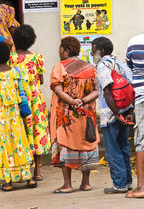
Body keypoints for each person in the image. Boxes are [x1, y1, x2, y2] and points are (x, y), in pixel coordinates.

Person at [0, 42, 37, 191]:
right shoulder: (17, 73)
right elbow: (25, 91)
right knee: (21, 143)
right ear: (9, 57)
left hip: (1, 118)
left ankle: (8, 182)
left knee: (5, 146)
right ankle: (28, 178)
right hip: (16, 117)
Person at [50, 36, 99, 194]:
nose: (59, 52)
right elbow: (96, 91)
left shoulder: (60, 67)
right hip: (86, 116)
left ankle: (67, 185)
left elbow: (58, 90)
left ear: (66, 51)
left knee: (66, 144)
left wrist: (72, 102)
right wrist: (82, 101)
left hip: (67, 117)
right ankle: (86, 183)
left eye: (60, 49)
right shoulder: (89, 67)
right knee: (86, 144)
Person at [91, 36, 133, 194]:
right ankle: (128, 182)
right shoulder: (120, 62)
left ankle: (119, 184)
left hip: (110, 113)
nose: (92, 53)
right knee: (123, 147)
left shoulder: (102, 65)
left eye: (94, 50)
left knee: (112, 150)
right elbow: (130, 88)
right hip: (124, 110)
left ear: (101, 51)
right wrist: (128, 112)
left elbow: (107, 91)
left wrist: (115, 114)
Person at [10, 25, 51, 180]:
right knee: (36, 132)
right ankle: (37, 172)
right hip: (35, 100)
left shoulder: (11, 58)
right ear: (32, 41)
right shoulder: (37, 58)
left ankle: (23, 170)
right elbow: (40, 80)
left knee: (21, 132)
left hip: (18, 100)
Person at [126, 33, 144, 198]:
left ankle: (141, 187)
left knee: (141, 142)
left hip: (141, 96)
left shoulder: (134, 42)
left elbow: (131, 69)